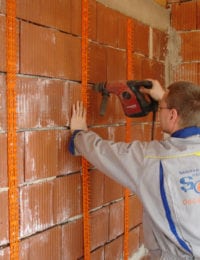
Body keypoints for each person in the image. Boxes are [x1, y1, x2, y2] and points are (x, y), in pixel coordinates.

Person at [69, 79, 200, 260]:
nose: (159, 111)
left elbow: (107, 154)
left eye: (161, 108)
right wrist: (165, 98)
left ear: (172, 115)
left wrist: (78, 136)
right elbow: (188, 110)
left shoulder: (153, 160)